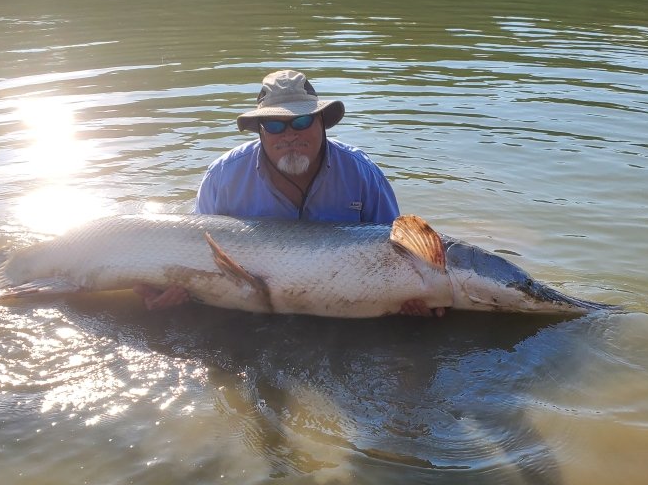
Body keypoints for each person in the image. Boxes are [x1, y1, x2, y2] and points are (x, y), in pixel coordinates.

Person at [135, 69, 443, 316]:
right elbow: (195, 252)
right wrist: (165, 292)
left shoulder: (362, 173)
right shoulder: (223, 177)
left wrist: (413, 296)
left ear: (322, 122)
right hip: (251, 312)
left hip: (341, 305)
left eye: (302, 120)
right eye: (275, 125)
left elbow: (399, 249)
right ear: (260, 130)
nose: (290, 135)